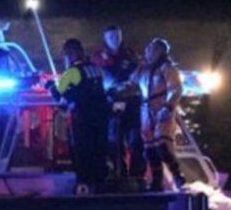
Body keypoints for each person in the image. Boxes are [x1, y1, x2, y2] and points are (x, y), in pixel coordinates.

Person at [47, 38, 110, 193]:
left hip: (83, 118)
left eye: (66, 55)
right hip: (101, 118)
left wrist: (49, 86)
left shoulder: (72, 72)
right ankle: (101, 184)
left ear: (71, 54)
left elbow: (60, 96)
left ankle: (84, 184)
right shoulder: (96, 69)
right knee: (99, 151)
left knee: (82, 151)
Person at [92, 25, 145, 181]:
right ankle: (118, 175)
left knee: (135, 142)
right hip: (110, 107)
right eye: (111, 37)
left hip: (132, 105)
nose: (115, 40)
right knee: (114, 143)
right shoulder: (98, 58)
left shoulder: (132, 55)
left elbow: (138, 77)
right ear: (105, 39)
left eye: (117, 36)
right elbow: (96, 81)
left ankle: (137, 177)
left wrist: (125, 89)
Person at [137, 37, 185, 192]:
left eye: (152, 48)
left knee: (163, 145)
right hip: (146, 110)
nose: (148, 51)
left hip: (161, 109)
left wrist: (168, 106)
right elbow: (132, 82)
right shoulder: (144, 69)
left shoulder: (167, 68)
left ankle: (178, 176)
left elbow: (176, 89)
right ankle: (157, 182)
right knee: (150, 150)